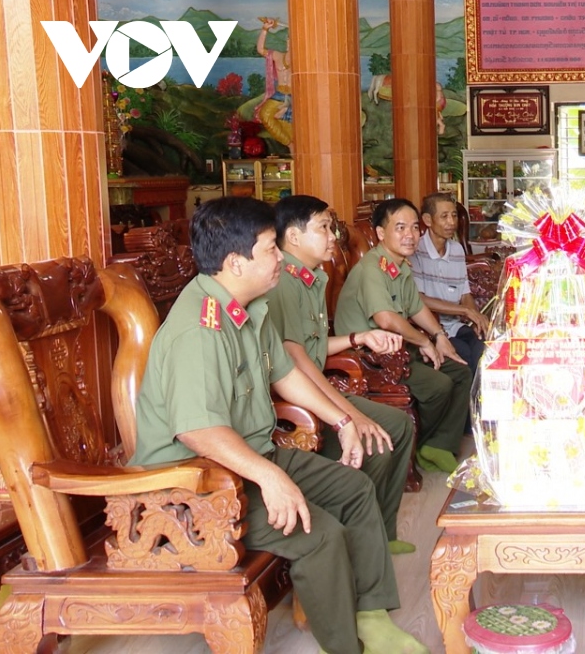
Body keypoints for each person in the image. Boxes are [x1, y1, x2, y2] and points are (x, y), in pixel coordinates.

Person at [131, 197, 428, 654]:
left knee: (354, 488)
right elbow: (199, 432)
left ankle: (372, 613)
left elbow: (286, 375)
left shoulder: (250, 306)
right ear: (235, 261)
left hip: (248, 458)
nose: (279, 259)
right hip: (196, 482)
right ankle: (345, 645)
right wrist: (272, 478)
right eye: (271, 249)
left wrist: (343, 420)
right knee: (320, 534)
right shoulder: (199, 328)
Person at [266, 194, 417, 555]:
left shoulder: (311, 276)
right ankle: (360, 538)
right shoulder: (285, 280)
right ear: (293, 236)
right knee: (377, 438)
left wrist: (357, 337)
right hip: (295, 400)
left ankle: (380, 532)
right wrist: (350, 416)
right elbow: (295, 359)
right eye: (324, 227)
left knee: (397, 425)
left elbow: (310, 346)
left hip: (314, 386)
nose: (334, 235)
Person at [335, 198, 472, 474]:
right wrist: (424, 341)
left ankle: (438, 444)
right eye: (400, 228)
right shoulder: (372, 268)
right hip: (369, 358)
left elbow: (416, 307)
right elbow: (386, 318)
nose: (410, 235)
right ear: (380, 233)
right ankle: (417, 443)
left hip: (396, 351)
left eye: (414, 228)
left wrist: (438, 335)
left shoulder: (400, 266)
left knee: (460, 370)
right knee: (438, 386)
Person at [409, 192, 490, 374]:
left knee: (482, 349)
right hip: (432, 329)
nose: (451, 222)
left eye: (454, 215)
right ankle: (470, 401)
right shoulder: (416, 250)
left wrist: (474, 317)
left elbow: (464, 293)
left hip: (456, 325)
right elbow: (420, 300)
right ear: (428, 220)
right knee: (465, 357)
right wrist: (464, 310)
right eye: (444, 216)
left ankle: (480, 401)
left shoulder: (456, 249)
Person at [255, 17, 293, 146]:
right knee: (264, 115)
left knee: (290, 124)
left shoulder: (305, 60)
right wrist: (265, 29)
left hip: (296, 96)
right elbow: (260, 49)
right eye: (288, 39)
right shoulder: (278, 56)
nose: (289, 42)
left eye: (293, 40)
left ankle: (287, 107)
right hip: (280, 93)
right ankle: (289, 143)